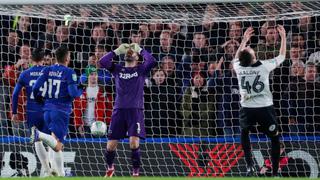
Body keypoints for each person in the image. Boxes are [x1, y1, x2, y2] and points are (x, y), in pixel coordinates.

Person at [232, 25, 287, 176]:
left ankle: (249, 165)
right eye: (249, 48)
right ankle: (275, 172)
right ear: (253, 57)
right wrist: (283, 38)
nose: (249, 47)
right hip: (265, 108)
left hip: (247, 108)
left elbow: (236, 58)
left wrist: (243, 40)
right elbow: (282, 56)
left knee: (244, 132)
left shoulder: (238, 67)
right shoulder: (263, 66)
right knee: (275, 138)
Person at [99, 43, 157, 177]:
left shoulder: (141, 69)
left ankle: (135, 173)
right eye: (127, 51)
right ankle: (110, 168)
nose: (129, 52)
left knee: (133, 143)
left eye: (133, 52)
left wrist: (140, 49)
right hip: (118, 110)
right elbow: (102, 62)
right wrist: (117, 51)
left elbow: (152, 61)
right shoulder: (117, 69)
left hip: (135, 111)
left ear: (137, 57)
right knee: (110, 146)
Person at [31, 46, 84, 177]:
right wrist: (81, 88)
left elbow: (35, 88)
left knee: (54, 144)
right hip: (61, 111)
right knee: (58, 144)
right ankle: (39, 135)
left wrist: (40, 101)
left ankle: (55, 172)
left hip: (47, 110)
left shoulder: (47, 69)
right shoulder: (69, 72)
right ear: (67, 58)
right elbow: (73, 93)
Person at [11, 48, 53, 177]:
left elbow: (15, 94)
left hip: (32, 111)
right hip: (48, 109)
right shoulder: (49, 71)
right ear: (43, 60)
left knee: (37, 140)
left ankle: (46, 169)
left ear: (31, 59)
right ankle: (52, 168)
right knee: (51, 139)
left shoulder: (25, 73)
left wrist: (14, 112)